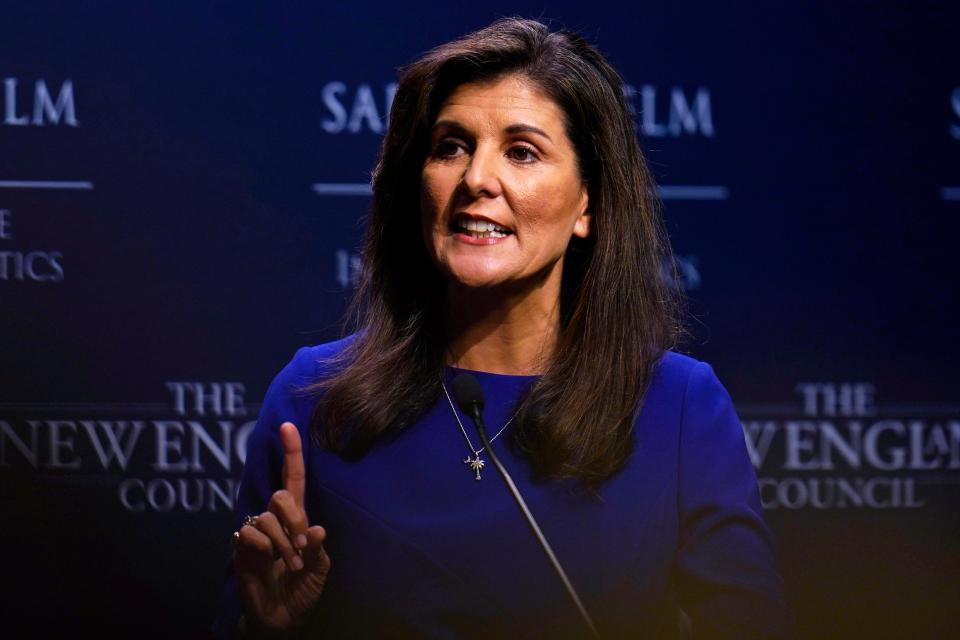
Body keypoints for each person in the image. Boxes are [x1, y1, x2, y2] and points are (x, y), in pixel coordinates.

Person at [215, 17, 793, 639]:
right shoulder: (312, 398)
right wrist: (268, 627)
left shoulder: (679, 407)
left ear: (587, 206)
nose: (475, 179)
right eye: (450, 147)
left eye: (521, 152)